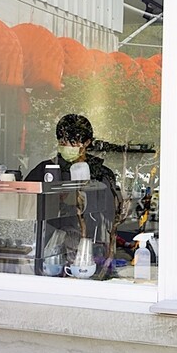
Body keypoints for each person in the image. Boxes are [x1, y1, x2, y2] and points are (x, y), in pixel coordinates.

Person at [25, 114, 123, 276]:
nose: (67, 147)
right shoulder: (44, 170)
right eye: (62, 142)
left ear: (87, 142)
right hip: (50, 250)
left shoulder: (101, 174)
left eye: (73, 142)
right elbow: (28, 209)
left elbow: (109, 216)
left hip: (89, 249)